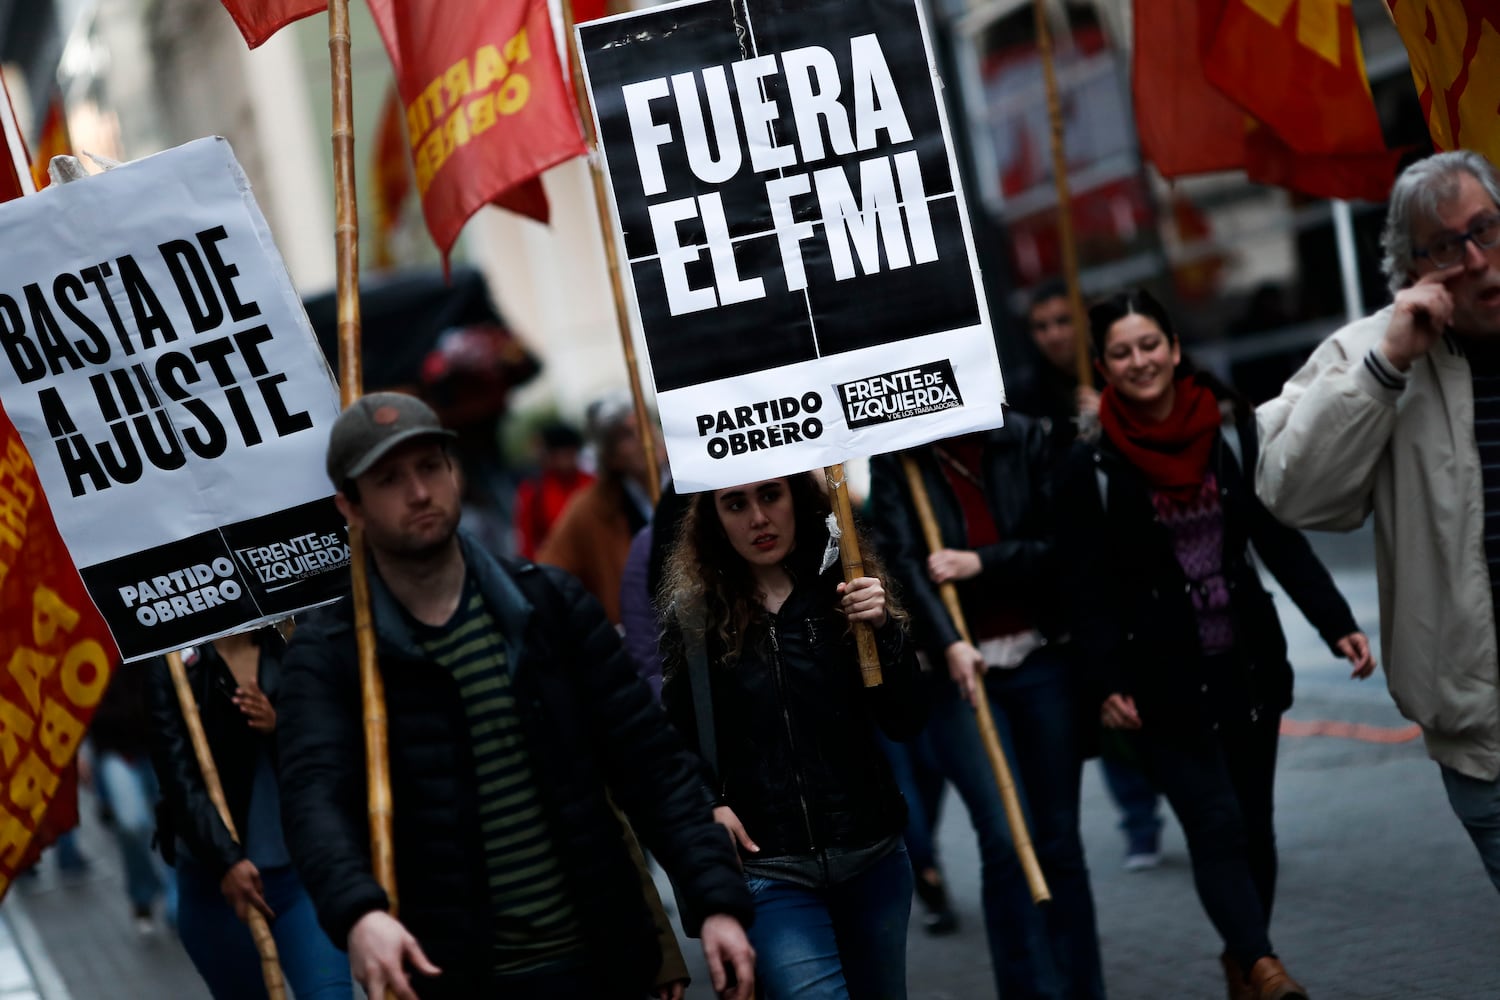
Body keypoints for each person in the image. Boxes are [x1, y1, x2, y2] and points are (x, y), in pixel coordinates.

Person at [277, 392, 755, 1000]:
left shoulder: (549, 606)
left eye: (430, 467)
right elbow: (314, 803)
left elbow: (651, 764)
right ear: (352, 505)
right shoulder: (331, 653)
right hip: (457, 976)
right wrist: (360, 913)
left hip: (605, 960)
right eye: (390, 479)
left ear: (455, 472)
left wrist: (713, 898)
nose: (419, 492)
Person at [1056, 289, 1374, 1000]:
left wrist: (1336, 621)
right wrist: (1106, 679)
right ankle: (1265, 966)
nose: (1139, 361)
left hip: (1247, 665)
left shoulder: (1231, 431)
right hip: (1160, 677)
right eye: (1120, 352)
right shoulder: (1090, 464)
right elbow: (1087, 587)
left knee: (1255, 828)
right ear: (1103, 368)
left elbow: (1275, 536)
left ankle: (1243, 960)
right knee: (1215, 822)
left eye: (1149, 345)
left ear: (1172, 347)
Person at [1256, 150, 1500, 893]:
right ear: (1413, 268)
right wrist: (1388, 365)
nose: (1477, 260)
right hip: (1486, 737)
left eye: (1486, 228)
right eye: (1445, 246)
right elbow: (1290, 491)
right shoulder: (1375, 352)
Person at [659, 473, 926, 1000]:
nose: (758, 517)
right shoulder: (696, 617)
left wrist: (886, 632)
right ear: (713, 518)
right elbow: (673, 742)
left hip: (872, 857)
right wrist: (708, 803)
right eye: (735, 503)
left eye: (770, 495)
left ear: (797, 499)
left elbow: (907, 720)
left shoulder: (845, 588)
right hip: (771, 871)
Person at [871, 423, 1106, 999]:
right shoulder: (899, 454)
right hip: (958, 674)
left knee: (1058, 840)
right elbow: (900, 560)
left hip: (1041, 660)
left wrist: (983, 563)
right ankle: (1032, 991)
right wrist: (947, 639)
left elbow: (1063, 547)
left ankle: (1081, 988)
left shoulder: (1029, 439)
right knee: (1003, 839)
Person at [1010, 280, 1165, 868]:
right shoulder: (1026, 397)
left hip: (1136, 565)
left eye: (1063, 322)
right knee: (1107, 693)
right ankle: (1137, 818)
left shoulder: (1119, 376)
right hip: (1077, 572)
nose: (1054, 335)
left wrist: (1109, 418)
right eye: (1042, 325)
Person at [149, 630, 353, 999]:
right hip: (219, 891)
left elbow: (333, 752)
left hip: (301, 881)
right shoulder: (172, 664)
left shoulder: (295, 643)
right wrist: (227, 861)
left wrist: (283, 727)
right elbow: (177, 778)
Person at [539, 392, 660, 624]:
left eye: (644, 424)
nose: (643, 437)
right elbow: (550, 574)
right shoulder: (590, 508)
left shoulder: (692, 485)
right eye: (626, 435)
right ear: (610, 456)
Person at [88, 657, 175, 935]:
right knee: (132, 823)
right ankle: (143, 894)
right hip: (117, 750)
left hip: (157, 743)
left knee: (174, 823)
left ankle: (176, 899)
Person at [513, 421, 595, 560]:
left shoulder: (592, 483)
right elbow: (526, 540)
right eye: (559, 453)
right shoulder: (533, 491)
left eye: (568, 452)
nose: (564, 459)